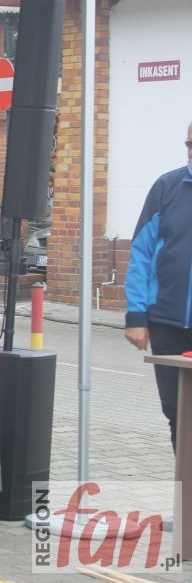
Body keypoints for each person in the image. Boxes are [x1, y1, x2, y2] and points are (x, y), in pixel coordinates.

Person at [124, 121, 192, 452]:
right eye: (190, 144)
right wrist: (137, 316)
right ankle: (185, 480)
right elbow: (141, 252)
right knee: (178, 412)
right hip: (168, 323)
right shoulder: (167, 186)